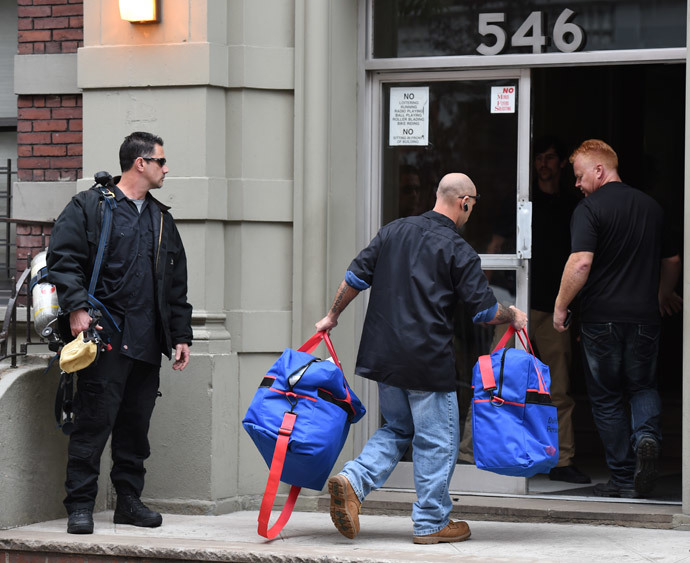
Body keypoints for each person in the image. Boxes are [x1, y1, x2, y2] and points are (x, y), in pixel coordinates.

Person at [315, 173, 528, 544]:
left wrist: (333, 315)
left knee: (398, 429)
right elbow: (484, 313)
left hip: (384, 356)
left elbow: (354, 276)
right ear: (464, 202)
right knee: (438, 440)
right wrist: (511, 314)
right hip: (426, 361)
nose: (471, 212)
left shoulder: (393, 231)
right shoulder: (458, 249)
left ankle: (352, 481)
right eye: (473, 205)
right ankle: (432, 521)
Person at [47, 132, 193, 534]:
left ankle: (129, 502)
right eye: (161, 161)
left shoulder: (162, 219)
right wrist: (76, 307)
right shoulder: (90, 205)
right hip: (103, 336)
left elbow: (176, 286)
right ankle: (80, 505)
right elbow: (63, 257)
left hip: (147, 340)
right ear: (140, 164)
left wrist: (181, 336)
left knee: (134, 428)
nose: (167, 169)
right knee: (92, 423)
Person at [553, 139, 681, 498]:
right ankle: (646, 438)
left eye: (579, 176)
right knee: (642, 386)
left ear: (599, 170)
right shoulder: (652, 207)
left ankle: (624, 478)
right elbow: (671, 261)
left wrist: (561, 306)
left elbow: (581, 261)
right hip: (644, 318)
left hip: (600, 320)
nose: (576, 185)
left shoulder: (589, 209)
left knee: (607, 397)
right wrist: (662, 294)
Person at [458, 137, 589, 484]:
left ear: (561, 164)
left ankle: (562, 459)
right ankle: (470, 455)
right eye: (539, 159)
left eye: (549, 158)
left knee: (556, 388)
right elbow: (495, 247)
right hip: (513, 305)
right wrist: (483, 301)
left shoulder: (574, 206)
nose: (543, 164)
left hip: (553, 309)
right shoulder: (519, 201)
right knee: (492, 381)